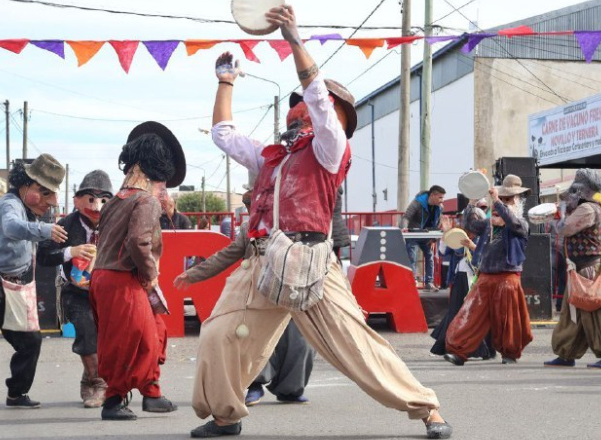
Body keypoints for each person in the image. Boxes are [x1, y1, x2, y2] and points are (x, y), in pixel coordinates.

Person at [190, 6, 451, 439]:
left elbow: (315, 96)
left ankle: (427, 408)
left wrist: (293, 37)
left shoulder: (332, 149)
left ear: (334, 119)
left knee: (357, 346)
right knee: (217, 334)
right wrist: (225, 81)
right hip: (260, 263)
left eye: (307, 107)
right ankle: (225, 416)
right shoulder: (271, 156)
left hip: (311, 263)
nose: (297, 111)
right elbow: (223, 134)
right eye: (295, 109)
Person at [176, 191, 316, 407]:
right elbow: (228, 254)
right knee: (253, 338)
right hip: (260, 291)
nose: (253, 210)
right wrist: (194, 274)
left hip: (292, 288)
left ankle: (290, 389)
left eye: (256, 205)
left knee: (301, 340)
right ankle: (254, 385)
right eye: (249, 206)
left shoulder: (295, 222)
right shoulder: (248, 227)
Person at [0, 154, 68, 411]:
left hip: (15, 284)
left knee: (31, 341)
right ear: (25, 186)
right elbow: (12, 227)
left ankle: (17, 393)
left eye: (52, 194)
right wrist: (45, 230)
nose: (50, 201)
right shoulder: (10, 205)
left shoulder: (33, 211)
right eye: (44, 193)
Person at [91, 122, 184, 421]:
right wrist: (150, 274)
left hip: (106, 276)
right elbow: (138, 241)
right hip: (123, 278)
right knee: (131, 341)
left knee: (152, 332)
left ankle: (151, 393)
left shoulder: (116, 201)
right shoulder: (145, 200)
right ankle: (113, 400)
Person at [37, 170, 114, 409]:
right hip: (76, 292)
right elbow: (44, 256)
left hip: (109, 291)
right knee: (86, 330)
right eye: (90, 199)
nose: (96, 206)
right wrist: (72, 251)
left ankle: (89, 375)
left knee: (108, 339)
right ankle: (99, 382)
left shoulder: (116, 223)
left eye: (103, 200)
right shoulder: (65, 225)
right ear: (77, 201)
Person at [444, 175, 533, 366]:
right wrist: (471, 204)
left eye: (508, 199)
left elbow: (510, 219)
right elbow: (470, 225)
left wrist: (498, 201)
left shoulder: (520, 225)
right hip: (485, 277)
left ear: (517, 203)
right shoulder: (488, 225)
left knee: (508, 320)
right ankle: (459, 352)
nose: (502, 204)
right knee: (470, 314)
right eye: (502, 199)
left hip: (507, 278)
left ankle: (509, 353)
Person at [544, 169, 601, 369]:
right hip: (578, 268)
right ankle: (566, 353)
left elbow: (564, 228)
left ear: (582, 190)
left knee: (598, 312)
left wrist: (553, 215)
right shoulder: (590, 207)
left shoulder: (588, 209)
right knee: (572, 314)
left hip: (588, 270)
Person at [430, 205, 495, 360]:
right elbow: (444, 252)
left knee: (473, 314)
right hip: (461, 277)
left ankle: (481, 348)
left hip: (476, 279)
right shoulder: (461, 234)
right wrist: (447, 234)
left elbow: (485, 257)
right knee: (458, 313)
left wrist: (471, 246)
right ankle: (456, 346)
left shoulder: (487, 236)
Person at [401, 186, 446, 291]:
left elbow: (437, 222)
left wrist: (433, 238)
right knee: (412, 256)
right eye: (440, 197)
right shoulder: (417, 203)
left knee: (429, 256)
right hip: (413, 234)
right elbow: (407, 217)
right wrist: (404, 228)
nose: (442, 200)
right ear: (433, 195)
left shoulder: (440, 207)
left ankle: (429, 283)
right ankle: (412, 282)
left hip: (426, 235)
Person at [332, 187, 351, 260]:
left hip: (332, 230)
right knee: (335, 257)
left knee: (329, 260)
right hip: (338, 229)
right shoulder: (337, 192)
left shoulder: (331, 191)